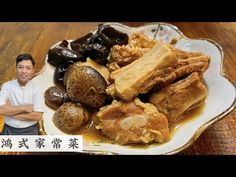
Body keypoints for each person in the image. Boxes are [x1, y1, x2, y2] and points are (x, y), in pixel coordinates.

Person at [0, 53, 44, 135]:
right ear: (16, 69)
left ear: (32, 71)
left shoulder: (37, 88)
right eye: (20, 67)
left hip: (30, 130)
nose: (24, 71)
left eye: (28, 68)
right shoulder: (7, 86)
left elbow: (37, 116)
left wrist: (9, 111)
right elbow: (1, 110)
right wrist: (24, 108)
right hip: (9, 129)